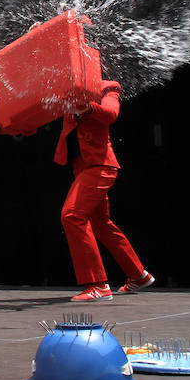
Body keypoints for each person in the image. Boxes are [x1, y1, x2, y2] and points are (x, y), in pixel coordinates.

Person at [54, 81, 154, 301]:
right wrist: (14, 125)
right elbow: (40, 113)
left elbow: (110, 114)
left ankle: (98, 284)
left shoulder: (107, 88)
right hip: (83, 167)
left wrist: (87, 107)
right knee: (101, 224)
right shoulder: (66, 90)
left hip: (100, 166)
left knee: (72, 215)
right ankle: (139, 275)